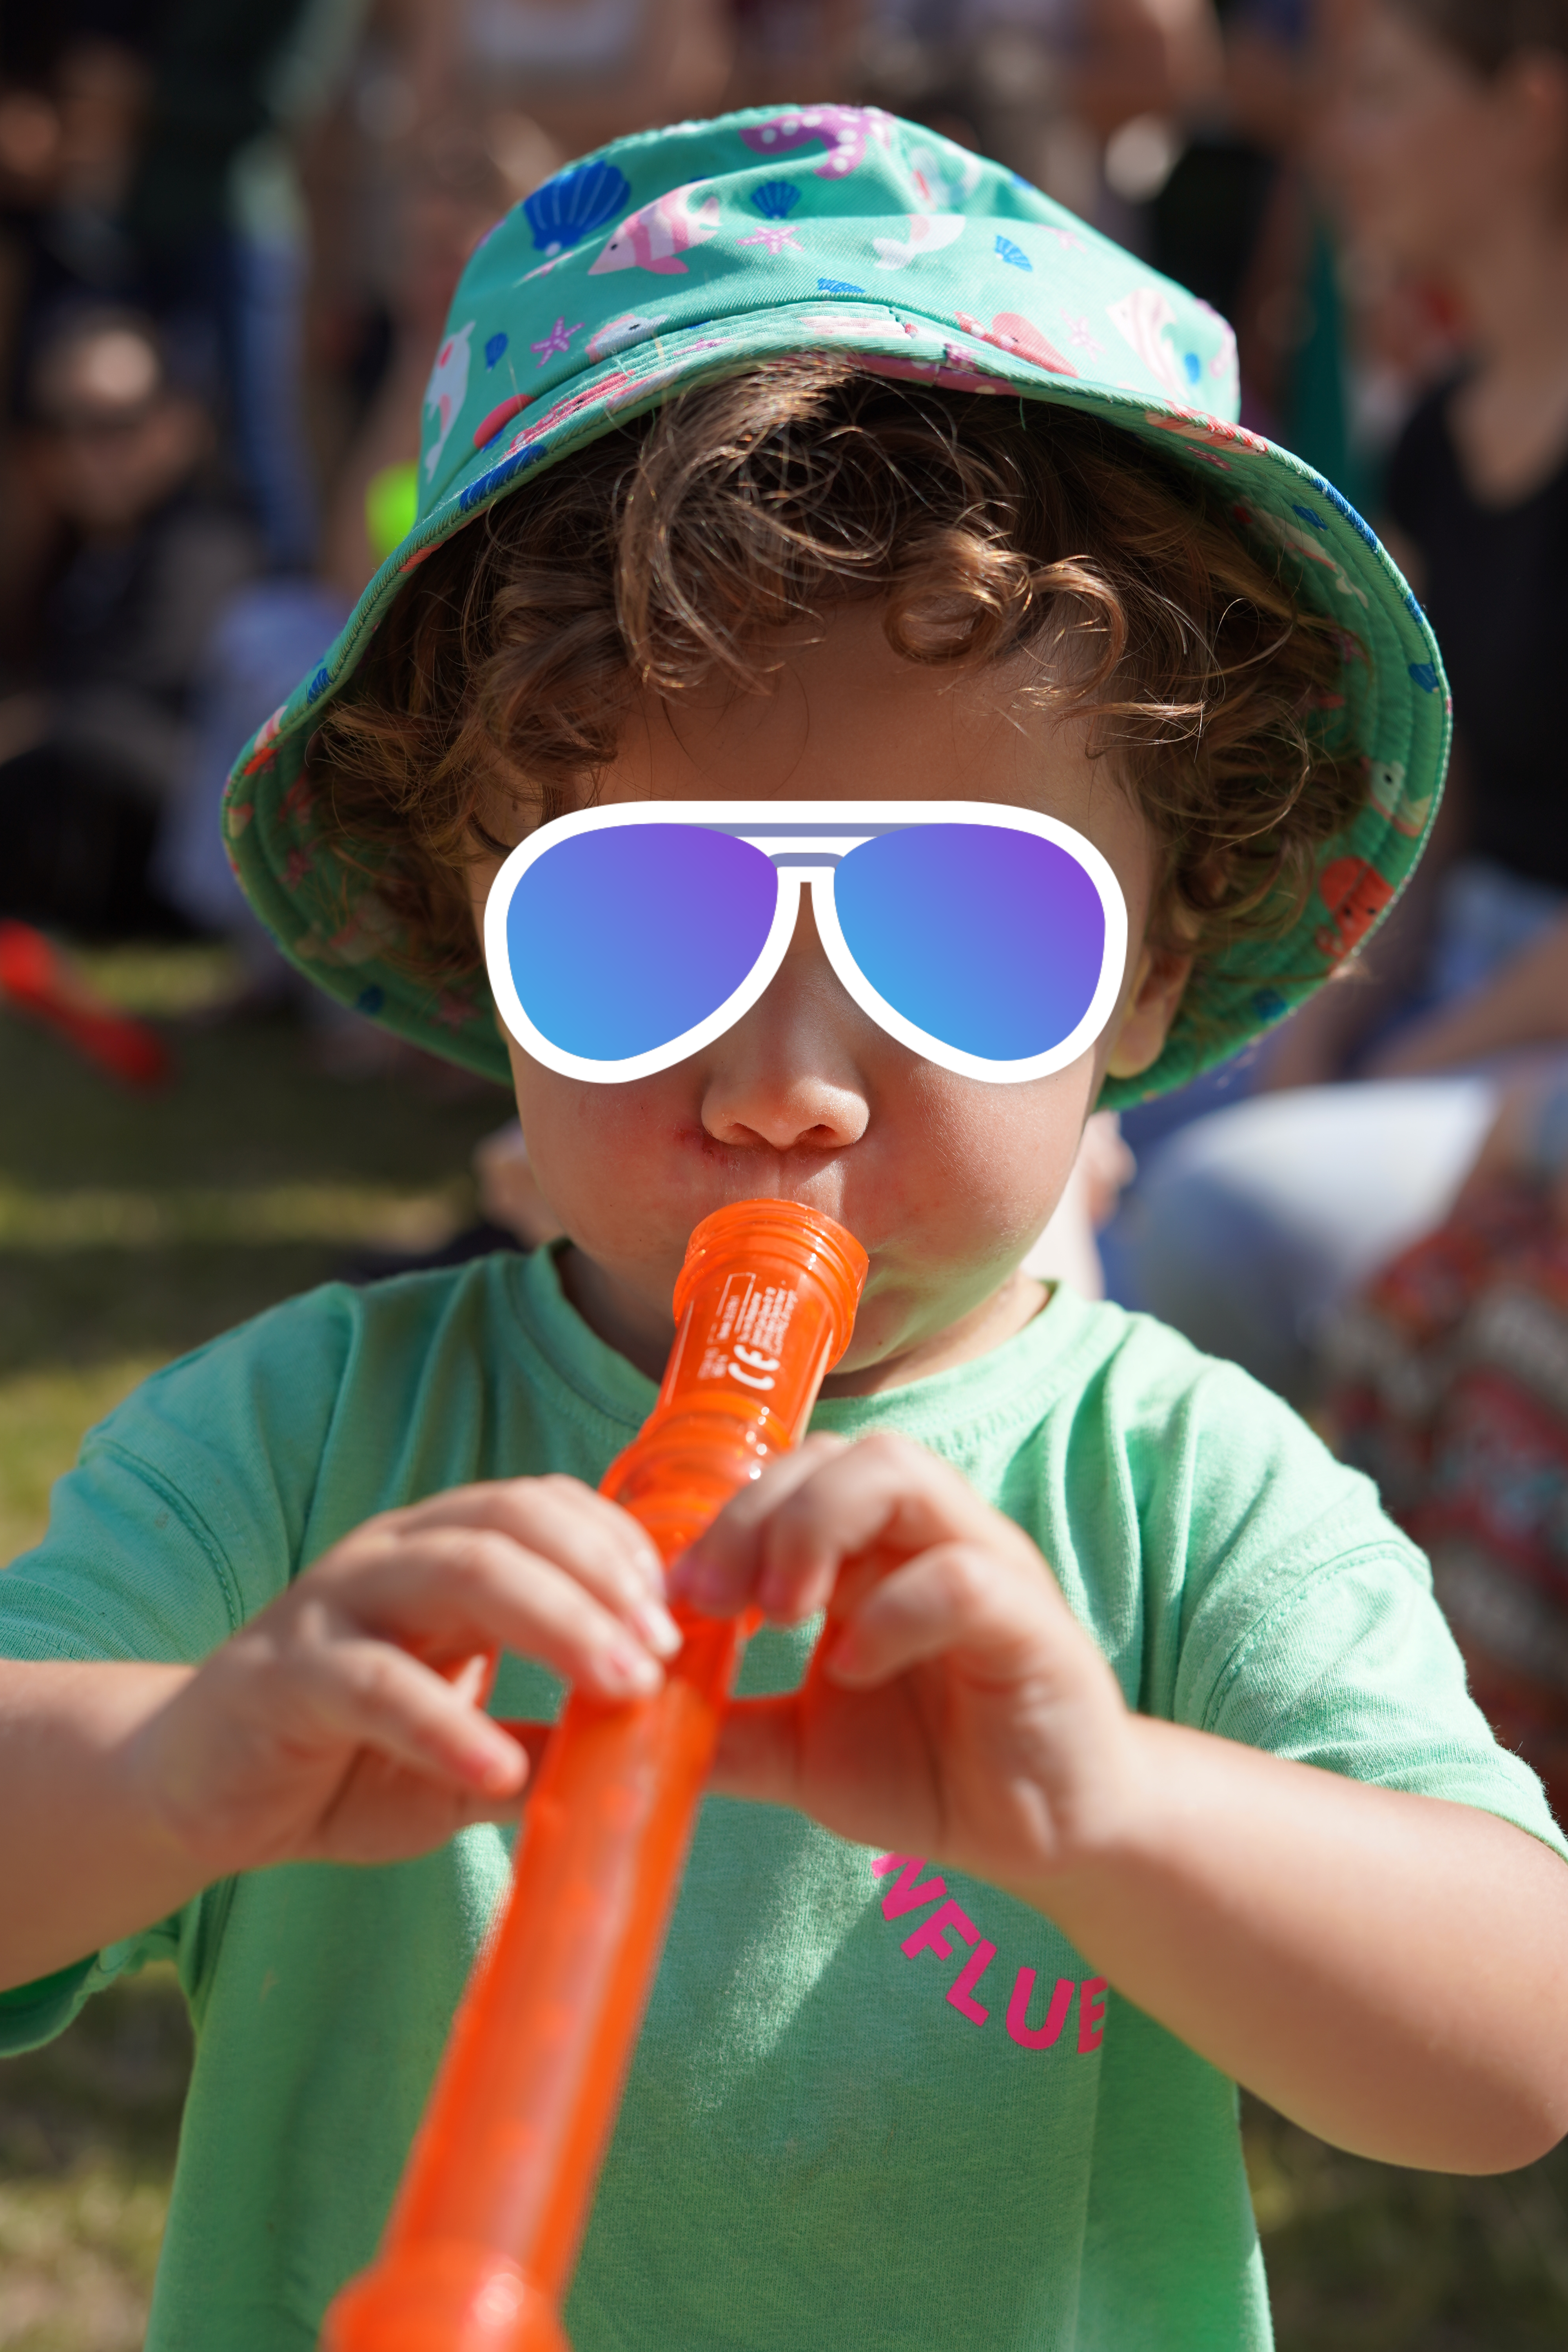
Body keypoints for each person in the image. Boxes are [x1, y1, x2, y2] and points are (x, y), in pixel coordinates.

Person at [2, 111, 1566, 2352]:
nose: (784, 1076)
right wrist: (167, 1773)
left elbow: (1516, 2054)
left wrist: (1104, 1807)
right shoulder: (305, 1447)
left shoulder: (1188, 1496)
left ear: (1145, 965)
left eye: (960, 927)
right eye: (643, 927)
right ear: (482, 936)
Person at [1110, 0, 1568, 1399]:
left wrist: (1404, 1061)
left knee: (1215, 1215)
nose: (1338, 145)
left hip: (1531, 1037)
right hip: (1459, 986)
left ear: (1532, 108)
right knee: (1082, 1113)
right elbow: (1448, 808)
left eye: (1379, 95)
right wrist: (1325, 1018)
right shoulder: (1435, 432)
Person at [0, 304, 257, 936]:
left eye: (114, 423)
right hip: (89, 813)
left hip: (180, 835)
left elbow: (140, 696)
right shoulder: (73, 552)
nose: (87, 451)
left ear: (178, 426)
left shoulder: (209, 541)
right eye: (60, 426)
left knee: (76, 743)